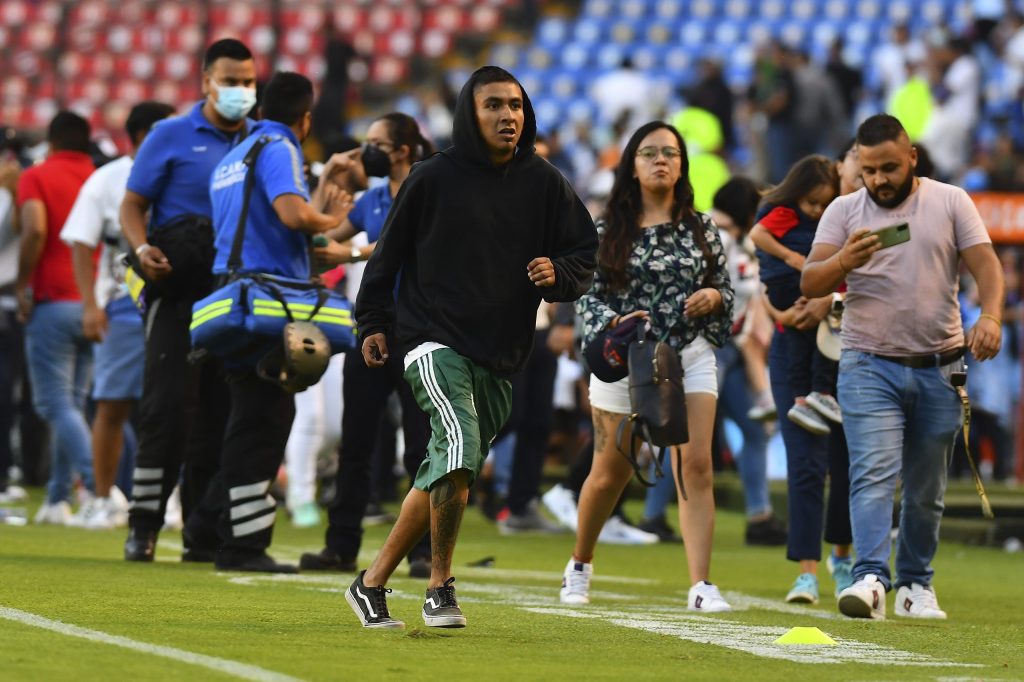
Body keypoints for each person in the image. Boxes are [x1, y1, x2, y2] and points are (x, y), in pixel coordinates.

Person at [346, 65, 598, 629]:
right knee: (457, 447)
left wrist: (556, 272)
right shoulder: (432, 177)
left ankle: (370, 583)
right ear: (469, 111)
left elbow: (586, 251)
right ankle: (439, 586)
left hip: (500, 353)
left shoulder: (544, 180)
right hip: (431, 339)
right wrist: (373, 324)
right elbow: (386, 257)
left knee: (447, 466)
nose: (508, 115)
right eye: (494, 105)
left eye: (515, 105)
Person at [802, 113, 1004, 620]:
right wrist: (843, 262)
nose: (878, 180)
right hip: (868, 363)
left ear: (911, 157)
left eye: (889, 168)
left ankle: (915, 584)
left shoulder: (951, 200)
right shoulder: (844, 211)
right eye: (869, 170)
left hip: (941, 363)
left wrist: (993, 316)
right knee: (872, 472)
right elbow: (810, 282)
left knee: (926, 488)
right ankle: (870, 577)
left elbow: (985, 264)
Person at [560, 121, 735, 612]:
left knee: (695, 465)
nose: (662, 161)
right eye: (650, 153)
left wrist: (714, 298)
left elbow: (726, 289)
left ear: (682, 165)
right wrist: (612, 322)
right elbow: (586, 298)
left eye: (671, 154)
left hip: (690, 355)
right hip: (627, 358)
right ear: (631, 166)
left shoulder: (703, 228)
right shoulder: (603, 229)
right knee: (608, 473)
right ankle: (580, 562)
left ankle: (701, 584)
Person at [198, 71, 351, 573]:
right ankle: (243, 545)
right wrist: (328, 219)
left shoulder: (232, 157)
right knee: (265, 420)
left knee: (247, 414)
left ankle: (206, 525)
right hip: (267, 304)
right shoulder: (279, 147)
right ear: (304, 119)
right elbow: (290, 214)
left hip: (232, 297)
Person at [119, 39, 256, 562]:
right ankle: (144, 524)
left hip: (234, 298)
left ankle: (202, 532)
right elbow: (133, 205)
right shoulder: (170, 135)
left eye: (248, 81)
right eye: (231, 80)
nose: (240, 90)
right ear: (205, 81)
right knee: (166, 411)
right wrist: (142, 247)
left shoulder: (263, 141)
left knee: (220, 415)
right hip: (176, 292)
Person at [299, 112, 436, 575]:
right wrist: (328, 185)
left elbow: (417, 249)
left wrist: (353, 252)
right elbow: (318, 242)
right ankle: (341, 546)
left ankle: (423, 551)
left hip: (420, 330)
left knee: (421, 445)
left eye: (375, 142)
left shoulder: (428, 190)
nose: (366, 150)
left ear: (402, 149)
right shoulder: (372, 199)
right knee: (356, 441)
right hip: (374, 328)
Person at [60, 102, 176, 529]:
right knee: (111, 403)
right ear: (139, 138)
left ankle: (172, 499)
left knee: (174, 403)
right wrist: (90, 303)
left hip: (178, 298)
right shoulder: (104, 181)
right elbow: (81, 242)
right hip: (124, 302)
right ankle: (102, 496)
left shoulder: (182, 172)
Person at [15, 111, 96, 525]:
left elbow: (35, 230)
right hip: (94, 303)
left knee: (54, 403)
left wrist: (21, 283)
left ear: (51, 141)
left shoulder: (38, 175)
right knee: (76, 405)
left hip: (53, 298)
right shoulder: (99, 177)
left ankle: (101, 489)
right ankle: (58, 498)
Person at [749, 156, 841, 436]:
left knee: (802, 339)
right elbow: (758, 234)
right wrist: (791, 257)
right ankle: (821, 391)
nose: (817, 210)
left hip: (785, 287)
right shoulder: (785, 211)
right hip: (789, 284)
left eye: (824, 204)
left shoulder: (815, 216)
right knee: (828, 329)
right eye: (811, 202)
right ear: (797, 192)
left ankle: (802, 399)